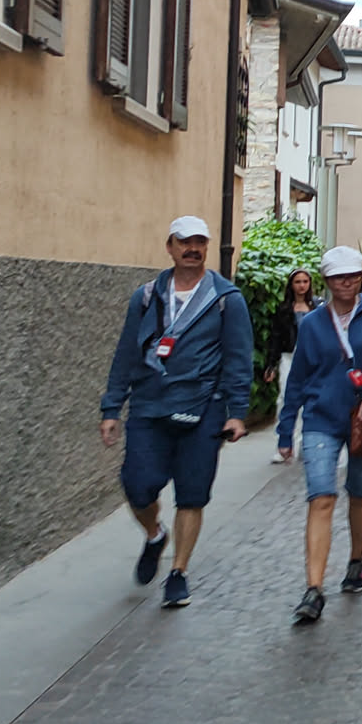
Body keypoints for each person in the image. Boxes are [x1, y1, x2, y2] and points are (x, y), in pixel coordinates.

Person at [98, 215, 254, 610]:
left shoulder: (226, 299)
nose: (193, 249)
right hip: (150, 408)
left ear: (207, 247)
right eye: (184, 241)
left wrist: (236, 412)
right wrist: (112, 406)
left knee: (192, 495)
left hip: (204, 409)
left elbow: (239, 358)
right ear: (170, 246)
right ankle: (155, 534)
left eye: (200, 242)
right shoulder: (146, 297)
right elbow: (126, 354)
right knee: (137, 485)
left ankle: (178, 573)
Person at [277, 244, 362, 623]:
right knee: (321, 497)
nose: (346, 283)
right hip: (320, 419)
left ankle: (356, 559)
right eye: (339, 277)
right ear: (326, 280)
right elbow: (297, 380)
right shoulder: (312, 323)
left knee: (359, 491)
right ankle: (314, 589)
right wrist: (286, 430)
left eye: (353, 276)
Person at [263, 268, 317, 464]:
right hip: (289, 357)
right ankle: (284, 443)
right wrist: (271, 364)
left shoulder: (317, 307)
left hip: (312, 360)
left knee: (310, 401)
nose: (302, 285)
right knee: (286, 398)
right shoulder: (284, 309)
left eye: (305, 281)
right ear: (291, 285)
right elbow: (275, 338)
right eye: (298, 282)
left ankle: (305, 444)